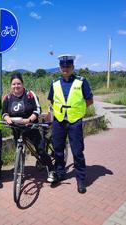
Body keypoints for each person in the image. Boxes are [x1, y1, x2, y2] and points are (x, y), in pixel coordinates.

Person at [48, 54, 94, 194]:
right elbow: (52, 100)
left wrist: (77, 111)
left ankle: (80, 179)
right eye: (63, 66)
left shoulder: (81, 82)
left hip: (74, 122)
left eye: (68, 66)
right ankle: (60, 173)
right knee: (57, 150)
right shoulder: (55, 83)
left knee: (77, 151)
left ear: (73, 67)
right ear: (60, 68)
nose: (65, 69)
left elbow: (89, 100)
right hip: (59, 121)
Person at [2, 74, 56, 182]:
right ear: (10, 85)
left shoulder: (30, 94)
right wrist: (6, 118)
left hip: (31, 127)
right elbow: (4, 112)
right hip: (17, 129)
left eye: (18, 83)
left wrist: (29, 120)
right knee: (19, 152)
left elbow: (37, 110)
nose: (16, 86)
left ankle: (51, 170)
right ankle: (20, 172)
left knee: (40, 150)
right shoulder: (7, 97)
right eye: (13, 84)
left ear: (22, 84)